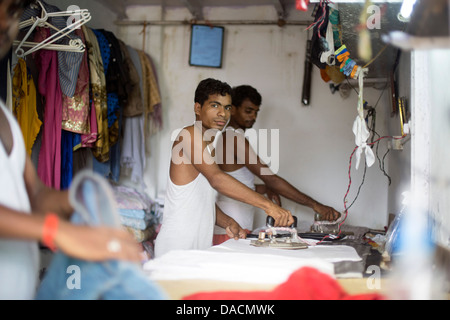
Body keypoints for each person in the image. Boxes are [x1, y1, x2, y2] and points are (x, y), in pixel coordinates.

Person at [0, 0, 146, 300]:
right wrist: (58, 231)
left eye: (13, 11)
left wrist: (83, 202)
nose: (5, 22)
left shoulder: (4, 117)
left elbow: (36, 195)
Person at [154, 78, 294, 258]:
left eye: (227, 107)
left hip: (197, 248)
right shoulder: (188, 135)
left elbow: (199, 199)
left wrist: (228, 221)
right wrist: (269, 207)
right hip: (176, 248)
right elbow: (217, 179)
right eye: (215, 105)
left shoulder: (209, 145)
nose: (223, 113)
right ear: (198, 108)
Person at [213, 85, 341, 244]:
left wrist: (265, 189)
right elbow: (270, 178)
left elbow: (236, 182)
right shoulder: (233, 138)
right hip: (231, 230)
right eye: (248, 111)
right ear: (232, 109)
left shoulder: (228, 136)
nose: (253, 116)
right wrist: (316, 205)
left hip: (234, 228)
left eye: (256, 112)